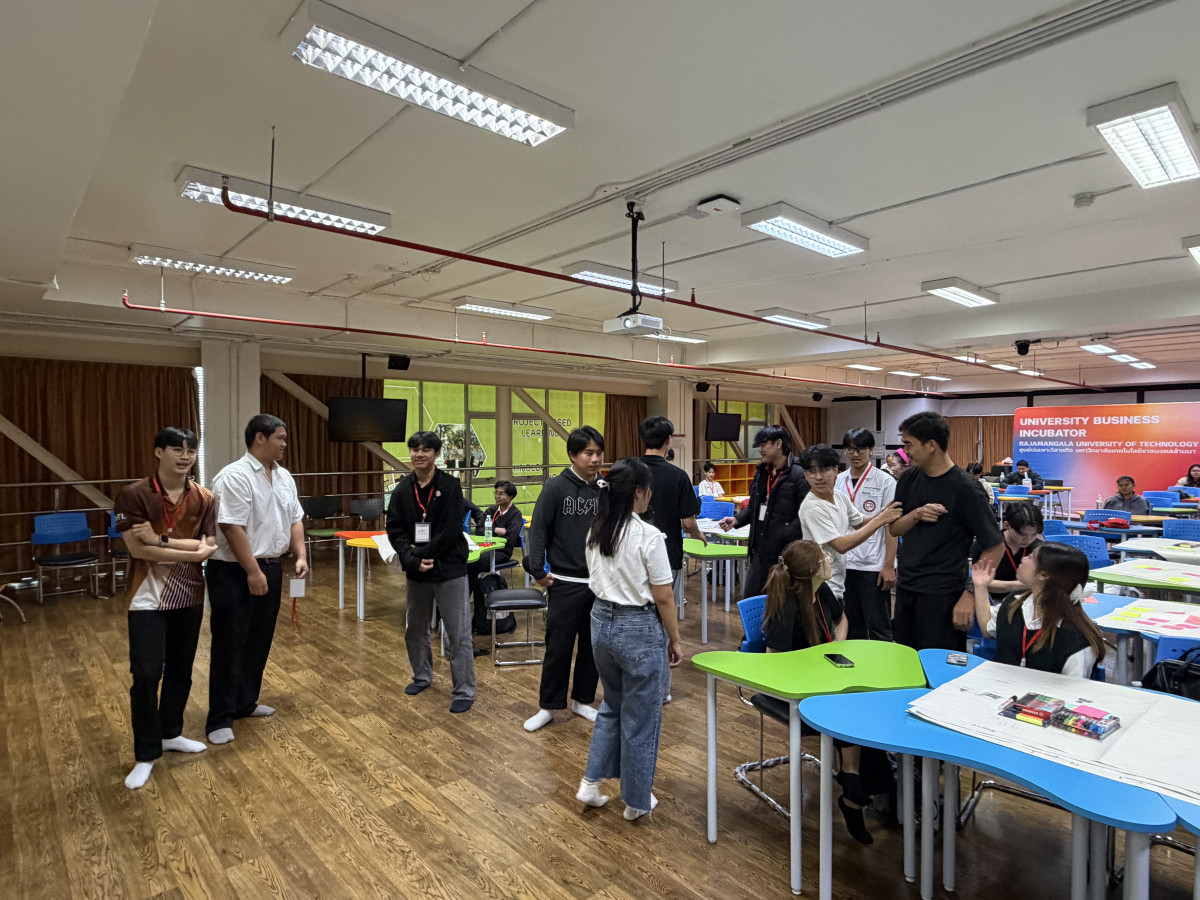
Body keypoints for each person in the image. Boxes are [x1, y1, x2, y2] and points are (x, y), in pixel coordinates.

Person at [760, 540, 889, 843]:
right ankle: (854, 785)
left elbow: (842, 619)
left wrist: (835, 649)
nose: (830, 559)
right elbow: (772, 659)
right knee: (846, 706)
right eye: (824, 557)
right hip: (791, 686)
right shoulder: (787, 606)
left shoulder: (820, 591)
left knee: (860, 698)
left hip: (821, 677)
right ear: (812, 570)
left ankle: (851, 777)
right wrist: (811, 672)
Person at [575, 459, 682, 821]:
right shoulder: (648, 535)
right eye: (648, 490)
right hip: (637, 626)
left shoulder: (596, 530)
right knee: (641, 718)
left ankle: (591, 783)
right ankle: (636, 801)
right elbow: (664, 596)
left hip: (600, 621)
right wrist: (675, 638)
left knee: (612, 705)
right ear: (638, 492)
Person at [113, 427, 218, 789]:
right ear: (159, 452)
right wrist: (191, 549)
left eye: (191, 449)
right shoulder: (134, 494)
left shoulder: (205, 497)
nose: (185, 456)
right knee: (145, 674)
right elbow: (136, 550)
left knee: (181, 669)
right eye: (177, 449)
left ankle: (171, 732)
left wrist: (159, 539)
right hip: (145, 596)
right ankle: (145, 753)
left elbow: (208, 548)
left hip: (190, 594)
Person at [206, 415, 308, 745]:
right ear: (260, 438)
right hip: (233, 572)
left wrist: (301, 554)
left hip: (271, 567)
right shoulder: (234, 476)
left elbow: (295, 519)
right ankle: (219, 717)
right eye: (280, 437)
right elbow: (231, 527)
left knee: (258, 639)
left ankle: (245, 703)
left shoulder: (284, 477)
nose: (284, 444)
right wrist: (252, 571)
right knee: (229, 642)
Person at [889, 411, 1003, 651]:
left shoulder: (967, 489)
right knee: (905, 658)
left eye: (909, 445)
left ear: (931, 445)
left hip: (944, 594)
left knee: (939, 662)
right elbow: (894, 529)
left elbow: (995, 547)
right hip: (907, 587)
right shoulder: (909, 479)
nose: (905, 452)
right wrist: (916, 514)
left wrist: (969, 594)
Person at [522, 426, 605, 732]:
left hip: (598, 583)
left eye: (599, 453)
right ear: (572, 454)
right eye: (588, 453)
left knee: (592, 647)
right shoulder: (555, 488)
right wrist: (537, 570)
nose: (595, 459)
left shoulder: (605, 489)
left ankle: (583, 700)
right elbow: (539, 531)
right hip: (563, 581)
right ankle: (548, 706)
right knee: (558, 647)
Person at [386, 430, 475, 713]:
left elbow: (450, 530)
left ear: (436, 454)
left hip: (449, 568)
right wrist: (411, 559)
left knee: (458, 632)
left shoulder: (450, 486)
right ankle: (422, 676)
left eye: (425, 449)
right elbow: (394, 529)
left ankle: (464, 689)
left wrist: (422, 554)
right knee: (415, 629)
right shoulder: (403, 489)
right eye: (415, 449)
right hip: (418, 570)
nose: (419, 454)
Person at [799, 444, 901, 638]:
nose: (818, 477)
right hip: (818, 586)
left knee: (849, 631)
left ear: (836, 470)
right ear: (805, 475)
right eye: (811, 471)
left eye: (824, 469)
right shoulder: (812, 507)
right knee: (825, 640)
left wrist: (884, 513)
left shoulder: (839, 496)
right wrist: (882, 519)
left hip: (837, 582)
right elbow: (841, 545)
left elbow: (860, 521)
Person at [639, 416, 706, 701]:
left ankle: (636, 686)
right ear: (668, 441)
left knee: (635, 617)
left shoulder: (627, 471)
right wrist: (699, 535)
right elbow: (688, 521)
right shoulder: (678, 476)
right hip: (667, 556)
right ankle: (661, 690)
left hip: (630, 557)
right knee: (664, 618)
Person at [970, 543, 1105, 678]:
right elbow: (988, 628)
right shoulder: (1015, 602)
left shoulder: (1076, 640)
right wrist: (981, 587)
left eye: (1031, 557)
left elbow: (1074, 689)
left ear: (1044, 575)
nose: (1023, 559)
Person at [718, 425, 809, 597]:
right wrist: (737, 519)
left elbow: (805, 514)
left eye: (763, 444)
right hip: (759, 549)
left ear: (778, 444)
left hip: (785, 554)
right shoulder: (761, 472)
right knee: (751, 600)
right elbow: (754, 507)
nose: (760, 449)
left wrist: (785, 533)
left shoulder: (799, 474)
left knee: (779, 603)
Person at [834, 430, 902, 640]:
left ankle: (883, 662)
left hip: (873, 565)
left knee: (878, 626)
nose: (855, 454)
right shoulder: (838, 480)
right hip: (844, 564)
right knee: (849, 625)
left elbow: (891, 526)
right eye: (850, 449)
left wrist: (889, 565)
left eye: (861, 449)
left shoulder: (886, 481)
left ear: (871, 450)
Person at [468, 480, 524, 640]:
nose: (497, 496)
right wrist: (497, 530)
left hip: (501, 552)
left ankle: (468, 599)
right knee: (468, 563)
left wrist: (492, 532)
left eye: (501, 494)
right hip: (484, 548)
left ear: (511, 496)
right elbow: (479, 530)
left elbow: (510, 538)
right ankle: (466, 599)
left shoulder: (515, 514)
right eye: (496, 493)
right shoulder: (490, 510)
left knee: (474, 565)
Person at [966, 501, 1043, 605]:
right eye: (1022, 534)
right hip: (991, 599)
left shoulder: (1037, 547)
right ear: (1006, 525)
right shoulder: (989, 544)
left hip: (1024, 599)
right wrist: (1020, 585)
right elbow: (980, 582)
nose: (1028, 540)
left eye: (1033, 535)